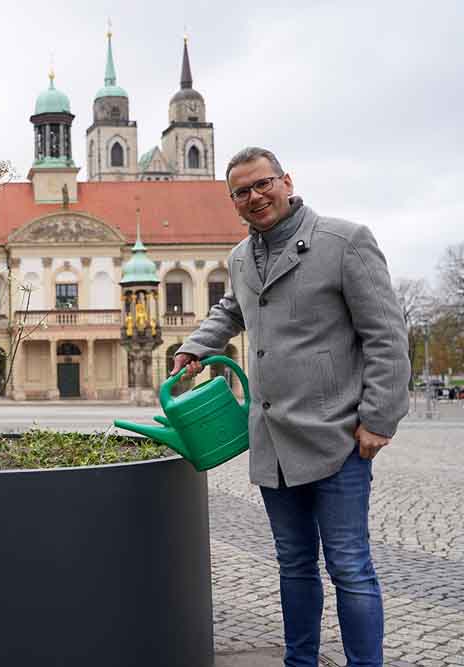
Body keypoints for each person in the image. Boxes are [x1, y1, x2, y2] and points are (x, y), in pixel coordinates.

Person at [171, 147, 409, 667]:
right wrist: (195, 345)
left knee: (349, 566)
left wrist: (378, 419)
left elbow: (387, 337)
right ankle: (299, 662)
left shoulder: (344, 241)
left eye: (263, 184)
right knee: (294, 565)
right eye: (241, 191)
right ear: (232, 200)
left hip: (337, 437)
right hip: (273, 440)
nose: (254, 197)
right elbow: (231, 307)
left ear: (286, 181)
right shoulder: (239, 257)